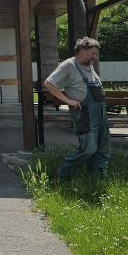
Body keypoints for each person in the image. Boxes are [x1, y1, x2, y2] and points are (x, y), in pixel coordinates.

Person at [43, 36, 109, 179]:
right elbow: (48, 84)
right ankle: (62, 175)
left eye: (96, 54)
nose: (95, 57)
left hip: (100, 114)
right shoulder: (69, 65)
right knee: (88, 148)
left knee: (102, 149)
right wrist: (67, 100)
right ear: (81, 50)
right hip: (85, 115)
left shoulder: (89, 65)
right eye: (92, 53)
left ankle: (96, 178)